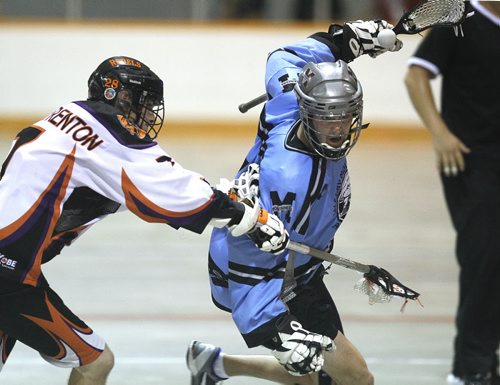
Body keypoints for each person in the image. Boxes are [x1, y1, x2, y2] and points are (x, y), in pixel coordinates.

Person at [0, 56, 290, 385]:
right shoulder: (109, 131)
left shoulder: (69, 118)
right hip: (9, 274)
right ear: (121, 97)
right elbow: (171, 191)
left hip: (12, 268)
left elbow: (144, 188)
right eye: (145, 103)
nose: (150, 114)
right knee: (95, 362)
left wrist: (221, 197)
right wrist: (246, 217)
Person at [186, 19, 403, 385]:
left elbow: (283, 56)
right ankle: (220, 365)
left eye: (345, 116)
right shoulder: (289, 181)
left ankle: (216, 365)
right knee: (355, 379)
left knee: (318, 377)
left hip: (298, 266)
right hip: (278, 279)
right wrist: (275, 330)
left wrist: (350, 39)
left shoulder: (288, 96)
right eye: (326, 119)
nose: (337, 129)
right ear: (307, 113)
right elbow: (248, 260)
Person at [404, 2, 500, 385]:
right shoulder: (459, 17)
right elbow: (415, 77)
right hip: (470, 161)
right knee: (483, 259)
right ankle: (469, 368)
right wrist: (439, 133)